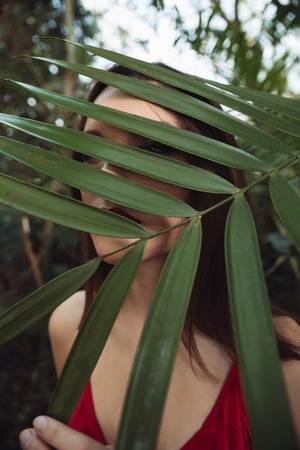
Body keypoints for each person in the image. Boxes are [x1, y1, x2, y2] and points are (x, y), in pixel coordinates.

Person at [19, 64, 300, 450]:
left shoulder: (282, 354)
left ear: (211, 175)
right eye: (90, 153)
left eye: (152, 150)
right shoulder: (70, 324)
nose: (109, 180)